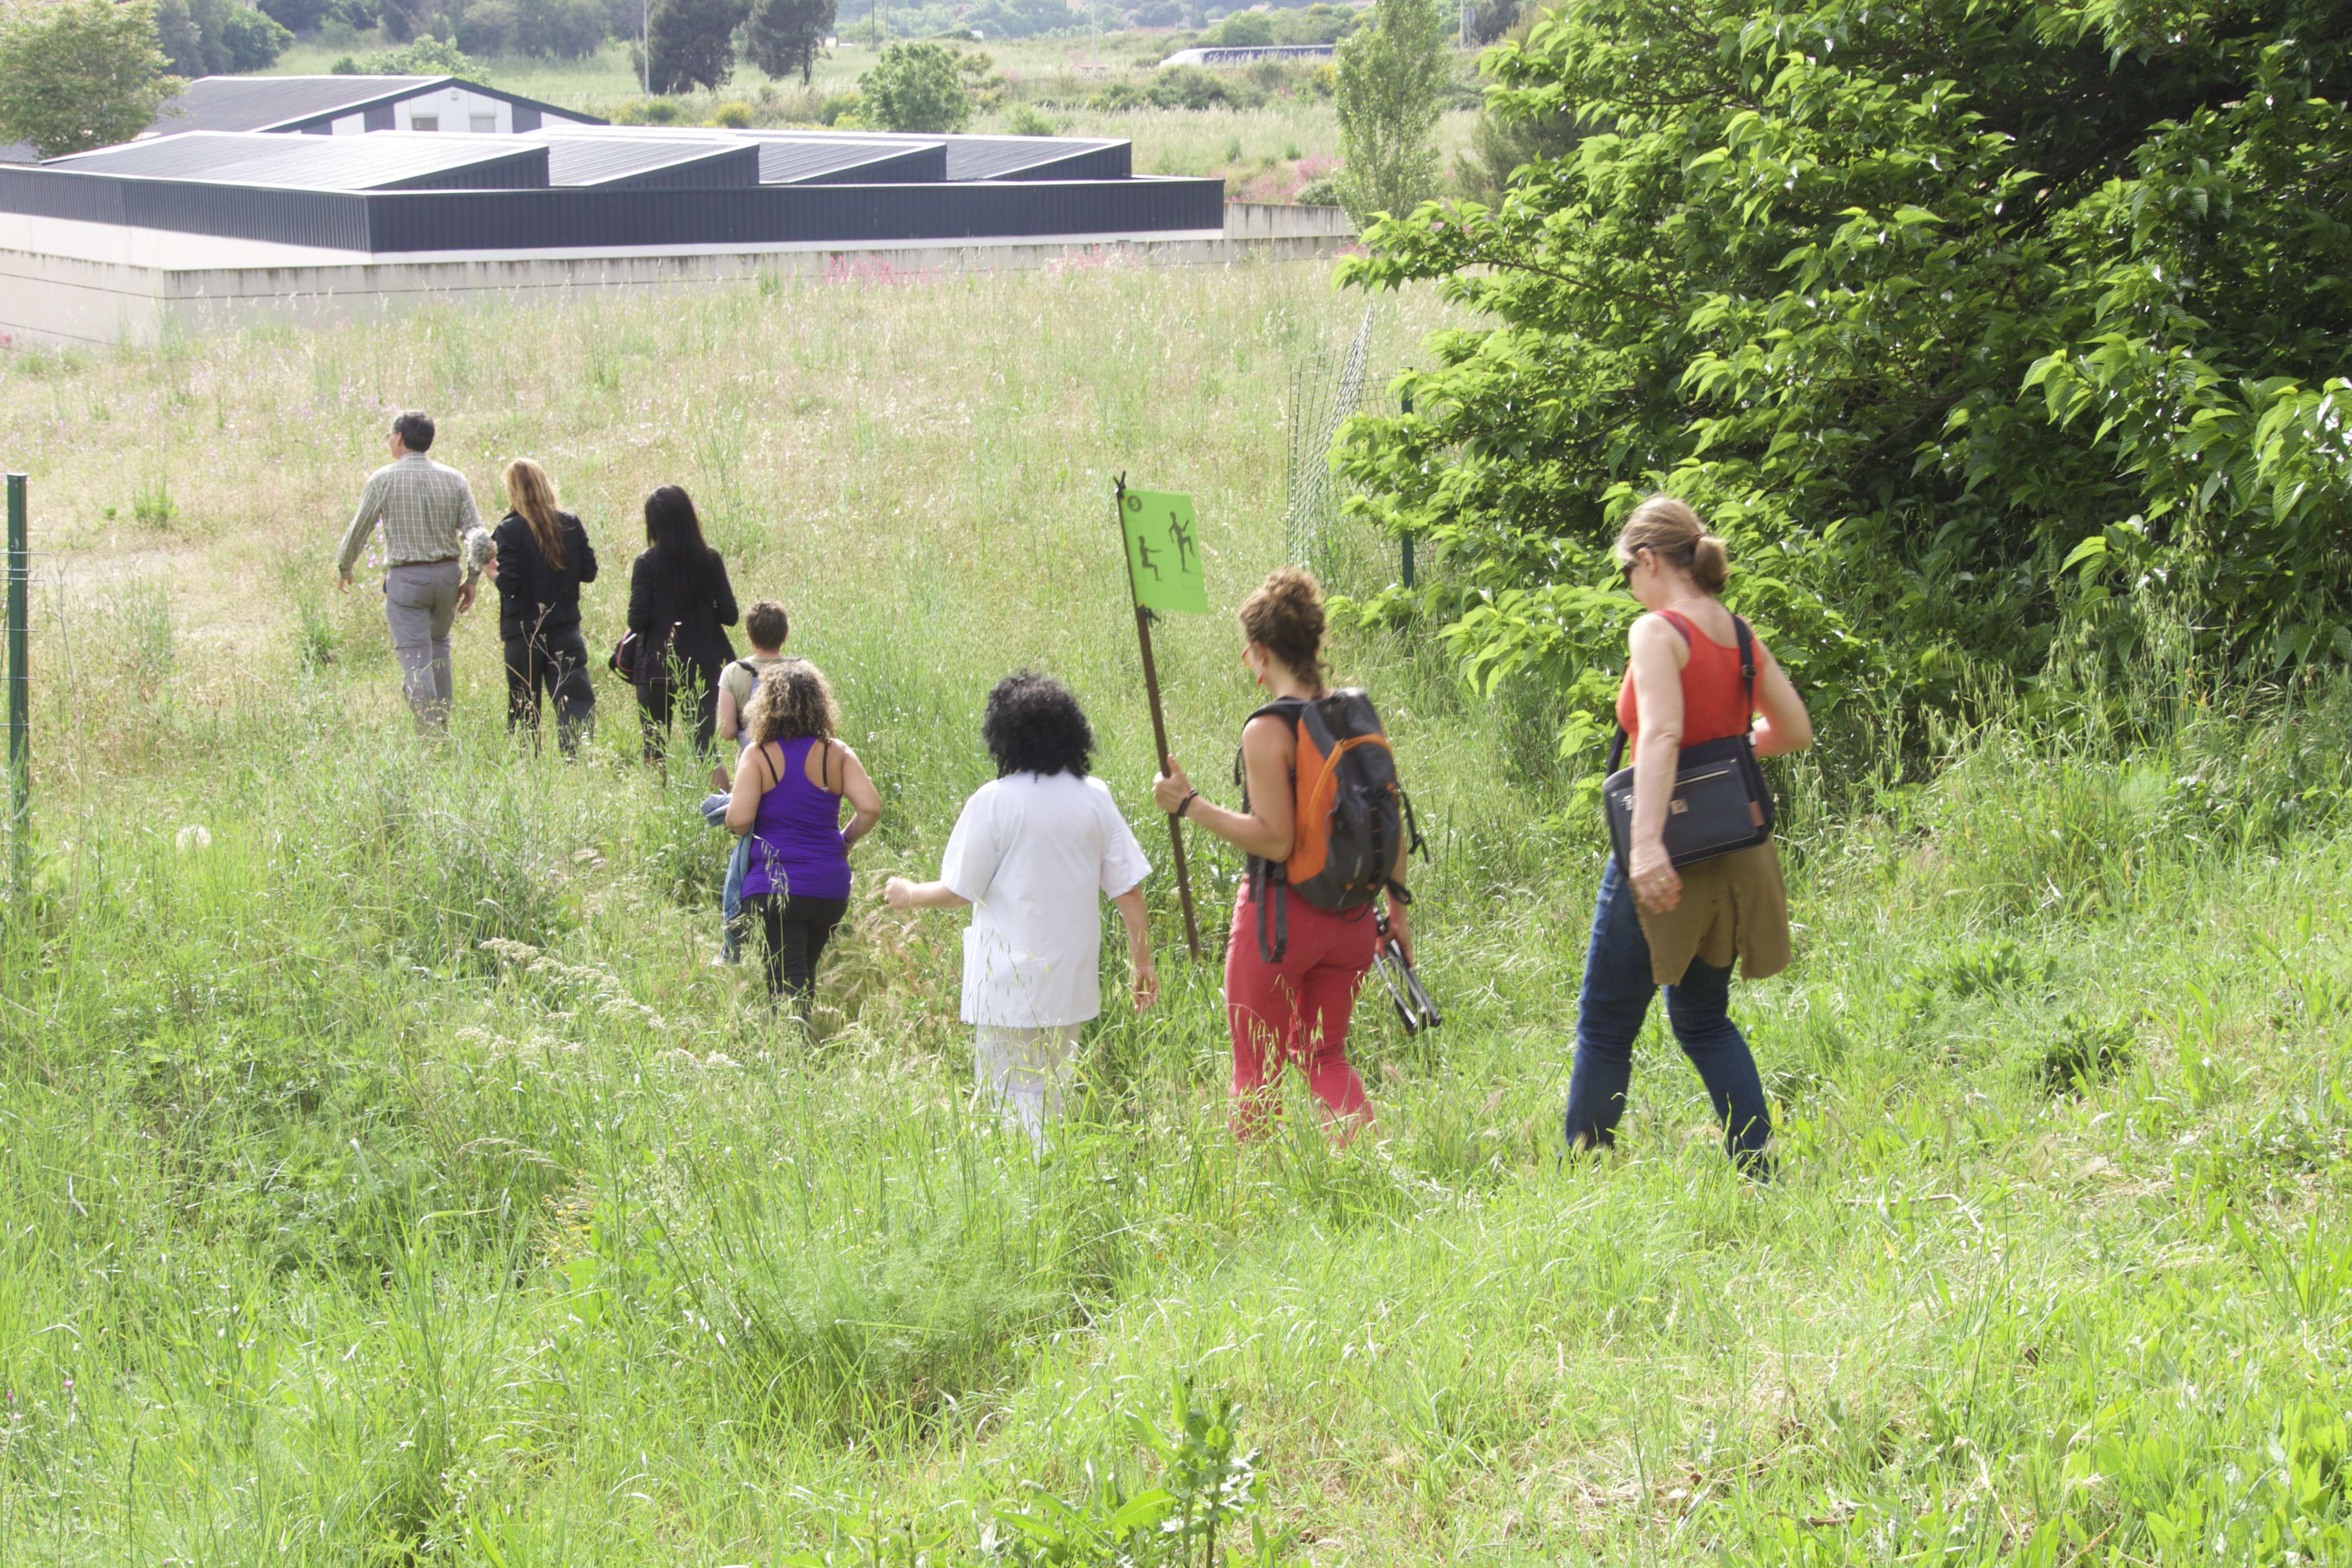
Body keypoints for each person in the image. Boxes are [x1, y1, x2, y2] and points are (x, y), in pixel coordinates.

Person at [1560, 496, 1814, 1175]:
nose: (1629, 589)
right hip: (1735, 850)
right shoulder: (1738, 633)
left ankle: (1584, 1171)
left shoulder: (1656, 631)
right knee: (1703, 1020)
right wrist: (1726, 758)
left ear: (1647, 560)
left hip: (1667, 851)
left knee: (1606, 1021)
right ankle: (1757, 1169)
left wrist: (1645, 845)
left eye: (1626, 574)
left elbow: (1663, 734)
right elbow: (1794, 730)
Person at [1151, 568, 1406, 1140]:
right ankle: (1364, 1169)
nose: (1251, 665)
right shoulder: (1357, 712)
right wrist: (1398, 912)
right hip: (1353, 920)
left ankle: (1256, 1191)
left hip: (1280, 925)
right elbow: (1387, 816)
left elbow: (1276, 840)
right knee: (1326, 1057)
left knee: (1256, 1072)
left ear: (1262, 652)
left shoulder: (1268, 729)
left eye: (1249, 654)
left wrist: (1189, 804)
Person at [885, 672, 1158, 1144]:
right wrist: (1143, 963)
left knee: (1010, 1096)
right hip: (1070, 978)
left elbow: (961, 891)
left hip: (1006, 981)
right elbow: (1128, 892)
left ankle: (1032, 1179)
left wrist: (908, 894)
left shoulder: (995, 801)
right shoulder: (1095, 796)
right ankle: (1054, 1172)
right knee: (1054, 1091)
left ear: (1003, 736)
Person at [722, 659, 883, 1016]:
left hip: (773, 889)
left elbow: (740, 819)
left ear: (767, 705)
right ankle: (806, 1038)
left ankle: (795, 1044)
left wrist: (734, 818)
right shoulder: (836, 753)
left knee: (787, 989)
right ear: (820, 704)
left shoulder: (758, 755)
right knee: (801, 974)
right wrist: (845, 841)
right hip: (828, 888)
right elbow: (870, 808)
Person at [333, 410, 494, 731]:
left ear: (400, 438)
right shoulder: (454, 479)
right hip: (447, 578)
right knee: (439, 647)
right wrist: (473, 579)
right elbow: (478, 536)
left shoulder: (383, 479)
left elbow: (360, 529)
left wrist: (344, 566)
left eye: (390, 435)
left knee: (415, 658)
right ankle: (442, 721)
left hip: (407, 581)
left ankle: (431, 733)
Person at [701, 600, 795, 963]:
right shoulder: (798, 670)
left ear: (749, 634)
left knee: (744, 857)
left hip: (752, 773)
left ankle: (734, 943)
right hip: (796, 770)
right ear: (785, 634)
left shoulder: (734, 672)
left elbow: (726, 731)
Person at [492, 457, 598, 756]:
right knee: (575, 703)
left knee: (524, 706)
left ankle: (527, 764)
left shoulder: (508, 530)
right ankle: (579, 760)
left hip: (523, 633)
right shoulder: (570, 523)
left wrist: (490, 571)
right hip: (565, 628)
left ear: (513, 491)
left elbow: (508, 583)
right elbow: (589, 572)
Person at [627, 485, 738, 763]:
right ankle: (719, 793)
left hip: (657, 667)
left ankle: (657, 792)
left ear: (653, 523)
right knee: (705, 748)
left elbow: (636, 621)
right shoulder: (710, 560)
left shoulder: (646, 563)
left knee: (654, 747)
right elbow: (730, 615)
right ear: (690, 518)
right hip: (704, 665)